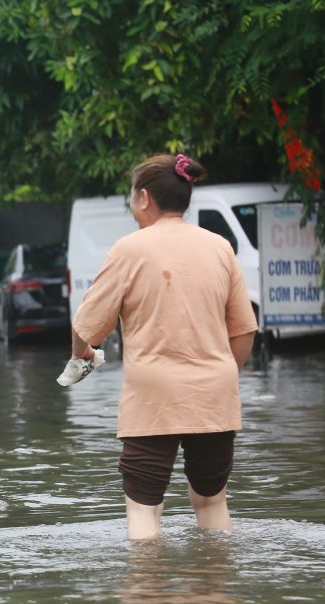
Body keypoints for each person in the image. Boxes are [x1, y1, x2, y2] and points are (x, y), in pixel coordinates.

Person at [69, 153, 258, 540]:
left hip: (152, 400)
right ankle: (214, 592)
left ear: (142, 198)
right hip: (214, 396)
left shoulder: (129, 249)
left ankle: (146, 592)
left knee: (144, 509)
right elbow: (244, 331)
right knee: (212, 502)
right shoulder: (220, 247)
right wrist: (217, 375)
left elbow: (86, 327)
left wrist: (81, 356)